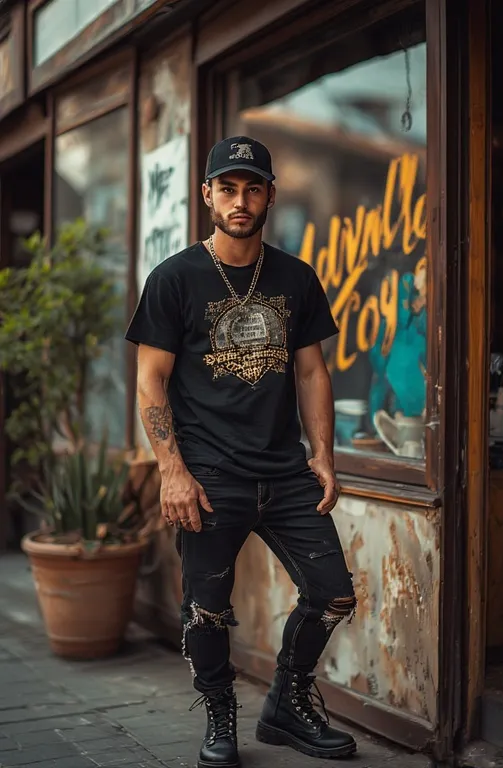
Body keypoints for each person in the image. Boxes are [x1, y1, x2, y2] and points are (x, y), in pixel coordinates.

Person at [126, 136, 357, 767]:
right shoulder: (174, 279)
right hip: (208, 475)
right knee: (206, 609)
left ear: (270, 196)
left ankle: (286, 704)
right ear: (207, 195)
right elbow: (150, 381)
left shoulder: (296, 277)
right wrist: (172, 471)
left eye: (253, 188)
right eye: (227, 188)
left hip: (285, 471)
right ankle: (220, 716)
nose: (240, 201)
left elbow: (311, 372)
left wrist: (323, 453)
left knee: (333, 593)